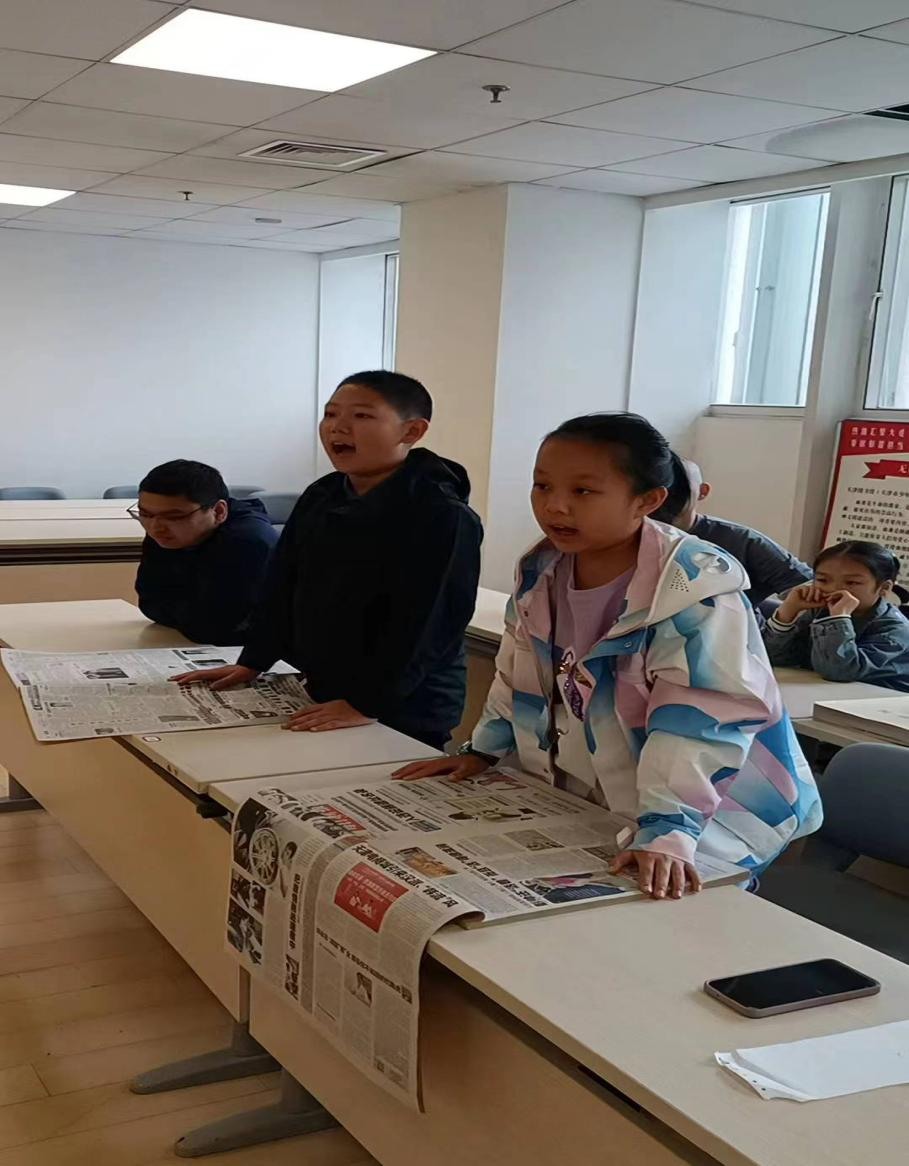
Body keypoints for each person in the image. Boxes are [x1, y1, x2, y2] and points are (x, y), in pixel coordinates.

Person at [395, 414, 821, 900]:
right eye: (542, 485)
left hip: (713, 812)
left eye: (583, 491)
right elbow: (519, 676)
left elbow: (701, 722)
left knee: (676, 914)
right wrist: (483, 751)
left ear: (647, 500)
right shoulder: (543, 570)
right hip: (611, 801)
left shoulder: (694, 590)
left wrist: (669, 829)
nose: (555, 506)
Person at [174, 371, 483, 750]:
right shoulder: (323, 494)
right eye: (331, 414)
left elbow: (429, 623)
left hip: (403, 701)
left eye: (362, 416)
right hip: (326, 684)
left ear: (412, 431)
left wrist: (368, 703)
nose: (338, 427)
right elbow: (283, 583)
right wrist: (254, 660)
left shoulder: (442, 513)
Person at [134, 460, 278, 645]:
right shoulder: (165, 530)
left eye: (174, 517)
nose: (155, 527)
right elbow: (149, 604)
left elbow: (216, 629)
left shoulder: (249, 541)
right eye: (145, 514)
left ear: (218, 511)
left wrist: (181, 609)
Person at [652, 455, 812, 607]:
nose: (669, 495)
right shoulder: (641, 535)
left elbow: (807, 585)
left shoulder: (742, 541)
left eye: (679, 487)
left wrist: (786, 617)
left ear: (702, 491)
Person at [763, 541, 909, 691]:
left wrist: (838, 619)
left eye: (852, 582)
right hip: (826, 693)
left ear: (884, 588)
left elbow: (838, 671)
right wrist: (788, 611)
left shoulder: (895, 629)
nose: (833, 589)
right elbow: (775, 657)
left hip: (882, 700)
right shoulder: (820, 611)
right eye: (822, 580)